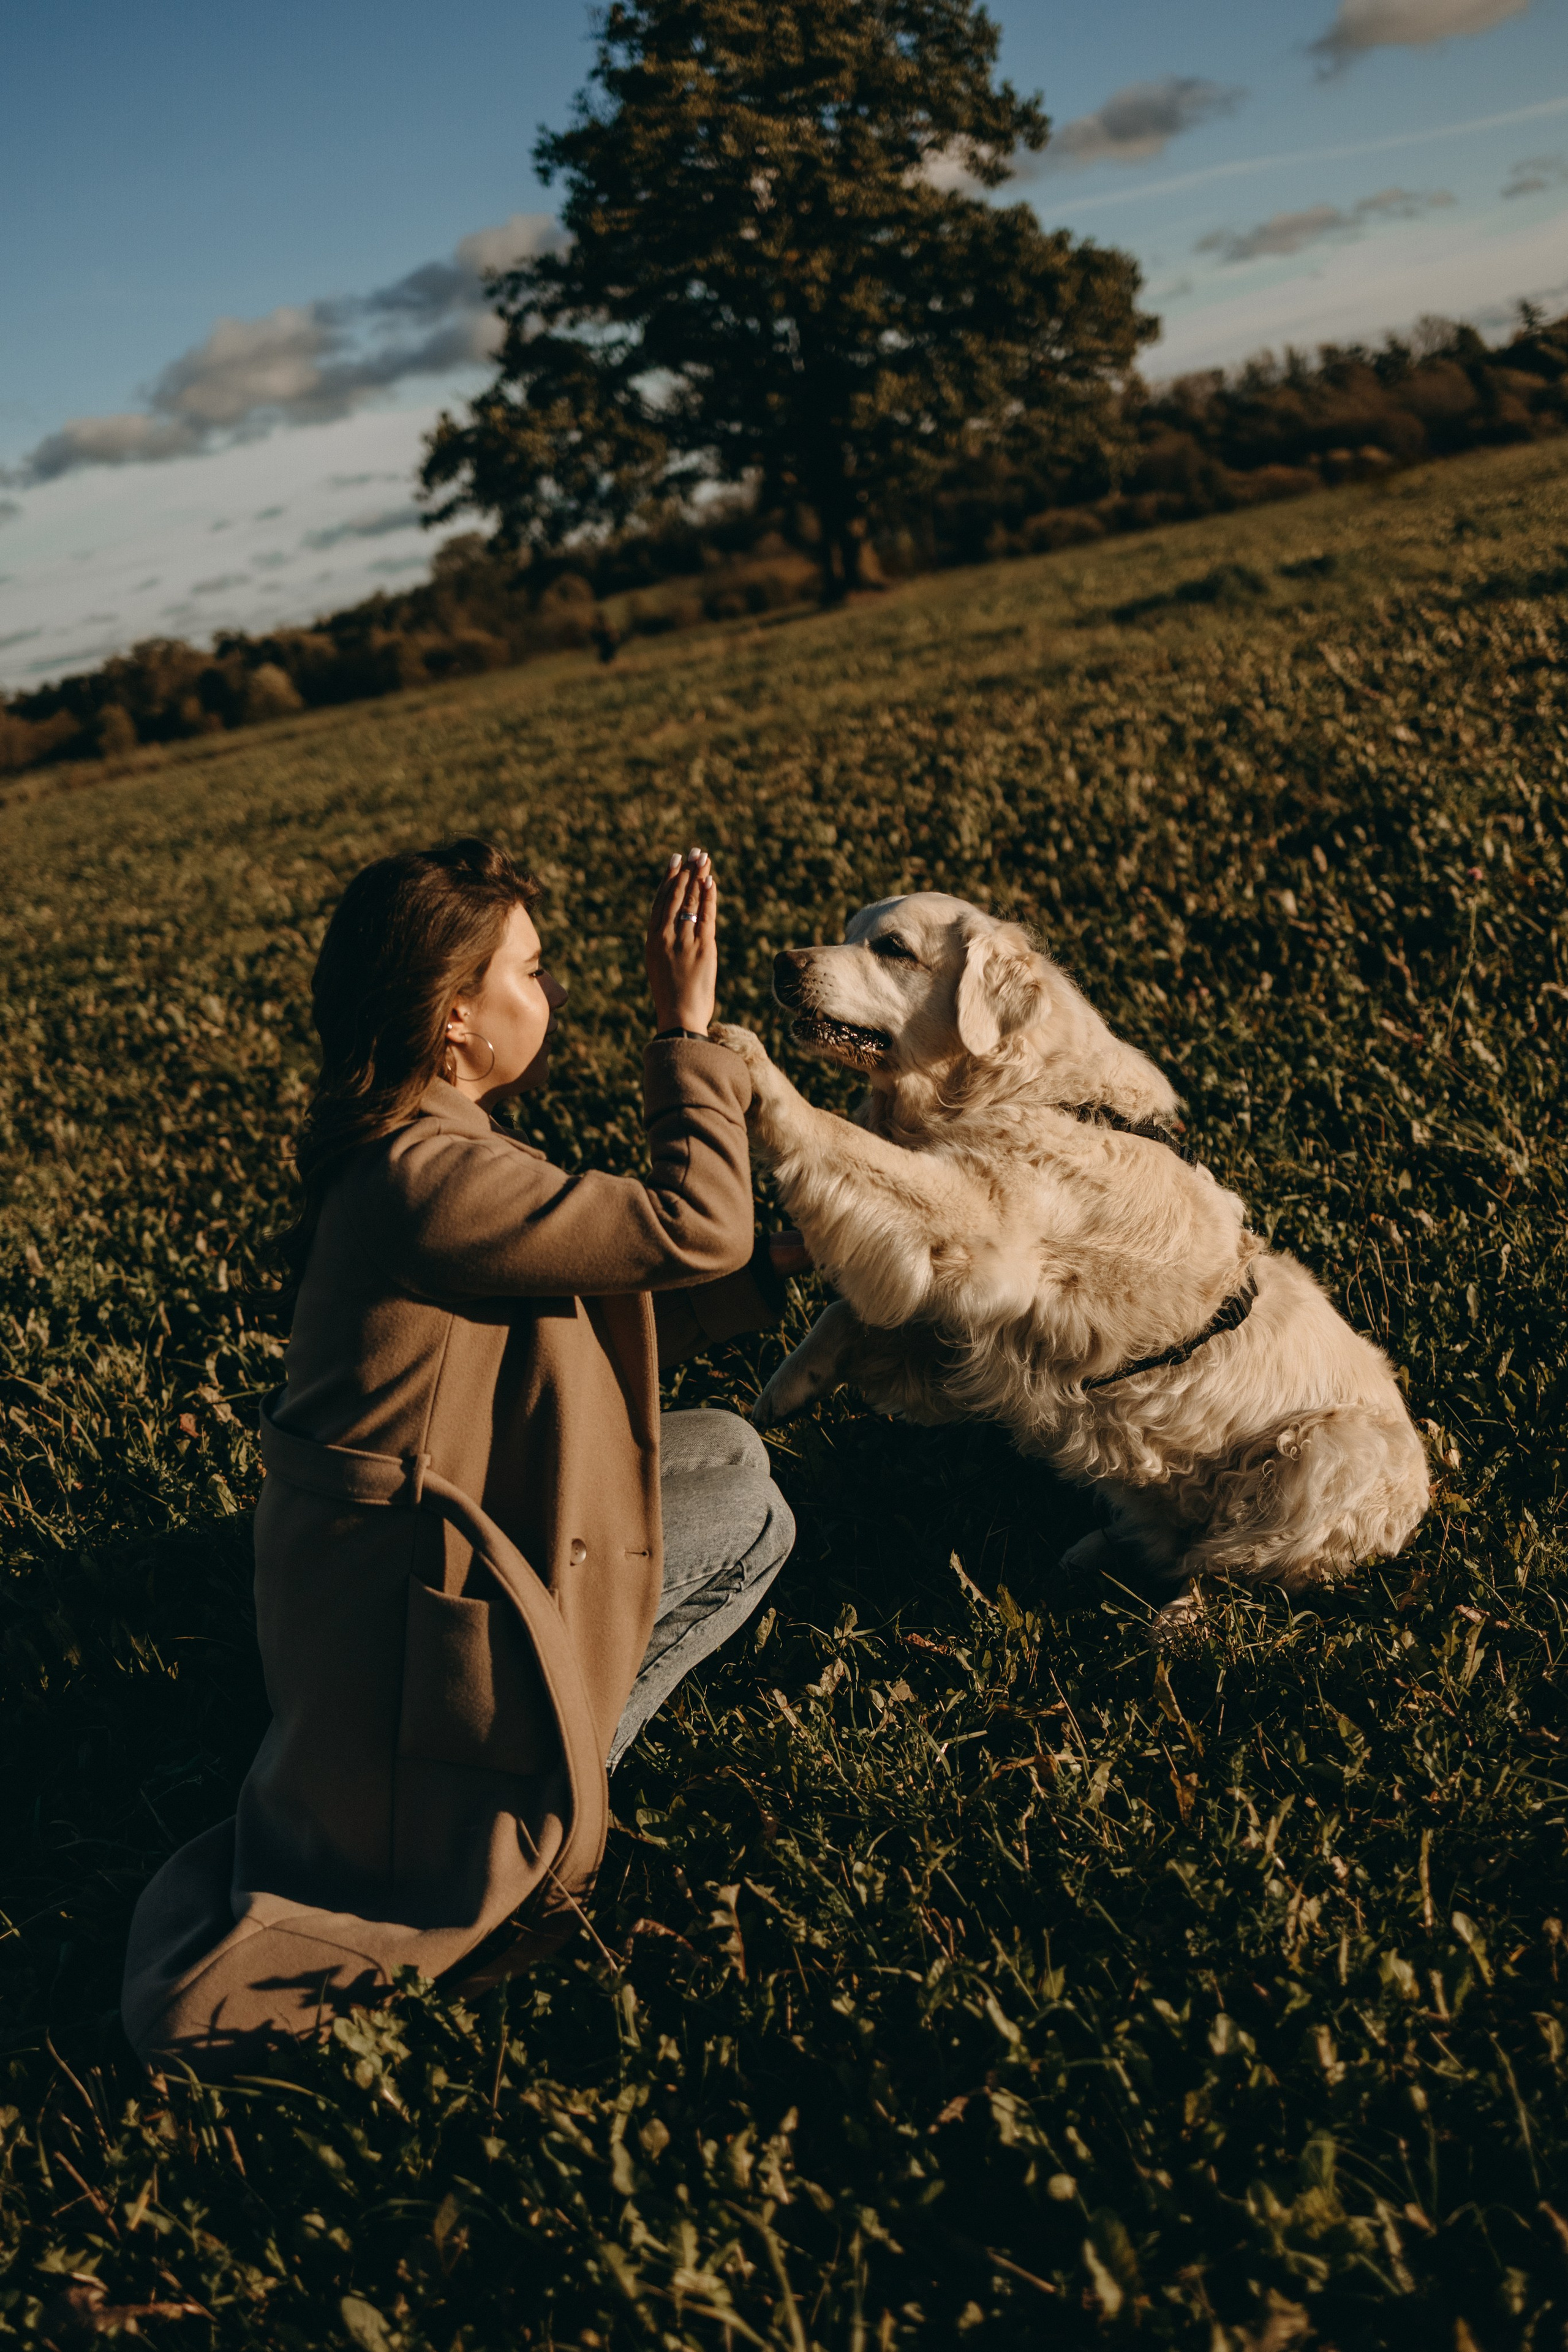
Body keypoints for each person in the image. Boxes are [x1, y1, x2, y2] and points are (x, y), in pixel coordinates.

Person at [121, 837, 799, 2070]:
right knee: (754, 1512)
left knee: (723, 1454)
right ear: (454, 1022)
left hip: (397, 1575)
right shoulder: (428, 1176)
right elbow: (693, 1227)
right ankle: (548, 1794)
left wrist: (783, 1265)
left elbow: (587, 1325)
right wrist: (683, 1030)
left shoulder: (419, 1156)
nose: (547, 998)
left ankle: (537, 1746)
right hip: (412, 1625)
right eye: (529, 973)